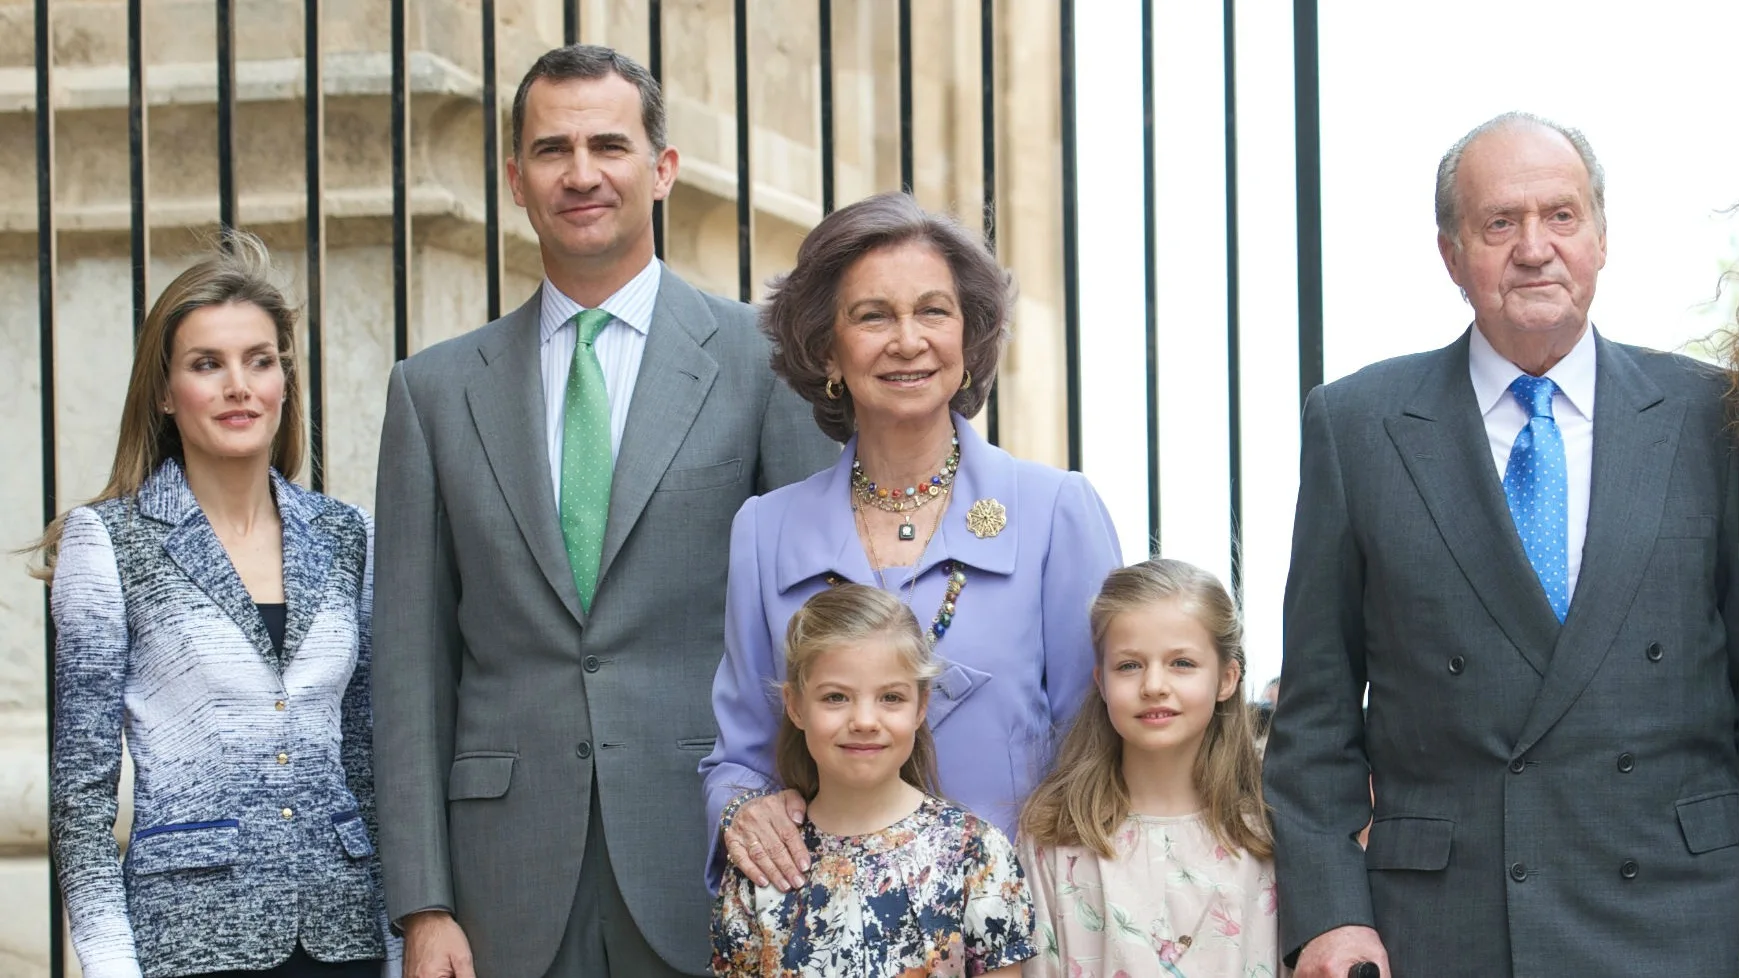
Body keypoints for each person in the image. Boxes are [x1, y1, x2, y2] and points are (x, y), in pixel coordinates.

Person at [370, 44, 837, 978]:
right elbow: (410, 667)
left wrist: (811, 809)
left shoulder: (762, 365)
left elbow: (817, 619)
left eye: (608, 145)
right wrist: (423, 905)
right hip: (504, 881)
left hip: (715, 851)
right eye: (552, 150)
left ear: (661, 169)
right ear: (514, 178)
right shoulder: (432, 392)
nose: (581, 173)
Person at [1264, 111, 1739, 978]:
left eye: (1561, 216)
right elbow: (1316, 715)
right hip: (1448, 926)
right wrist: (1331, 914)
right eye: (1498, 223)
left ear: (1600, 237)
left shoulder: (1711, 417)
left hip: (1685, 915)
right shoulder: (1357, 425)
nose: (1533, 247)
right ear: (1451, 254)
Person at [700, 191, 1123, 895]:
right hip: (830, 931)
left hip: (1019, 933)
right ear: (827, 350)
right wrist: (743, 810)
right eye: (872, 316)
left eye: (933, 310)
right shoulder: (765, 532)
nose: (907, 339)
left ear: (969, 337)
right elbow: (739, 757)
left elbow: (1101, 749)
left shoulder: (1054, 513)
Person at [40, 233, 394, 978]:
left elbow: (368, 762)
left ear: (284, 381)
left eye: (259, 361)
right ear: (166, 392)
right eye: (208, 364)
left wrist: (397, 945)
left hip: (345, 935)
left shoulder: (347, 535)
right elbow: (81, 798)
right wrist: (111, 967)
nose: (239, 385)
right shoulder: (108, 544)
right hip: (188, 945)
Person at [710, 584, 1035, 977]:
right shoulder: (763, 865)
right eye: (835, 697)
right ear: (794, 706)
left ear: (921, 706)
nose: (864, 721)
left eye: (891, 698)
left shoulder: (976, 853)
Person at [1019, 558, 1280, 977]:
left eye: (1182, 663)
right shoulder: (1055, 835)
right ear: (1101, 682)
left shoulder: (1267, 834)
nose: (1154, 685)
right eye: (1129, 665)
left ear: (1227, 679)